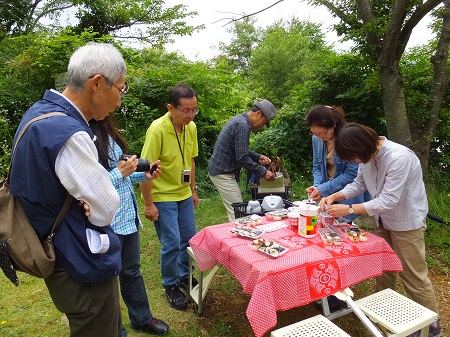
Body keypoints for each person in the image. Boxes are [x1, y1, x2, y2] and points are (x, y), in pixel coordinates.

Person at [9, 42, 127, 337]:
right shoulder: (69, 134)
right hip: (80, 263)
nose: (120, 101)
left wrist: (84, 197)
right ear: (97, 83)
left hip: (59, 252)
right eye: (121, 90)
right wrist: (88, 201)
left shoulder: (39, 114)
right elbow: (105, 208)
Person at [320, 123, 441, 337]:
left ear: (363, 146)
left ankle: (430, 326)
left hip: (406, 221)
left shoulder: (398, 157)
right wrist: (334, 196)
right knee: (384, 268)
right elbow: (359, 184)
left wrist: (348, 208)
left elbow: (388, 200)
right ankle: (383, 308)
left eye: (355, 157)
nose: (356, 161)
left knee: (413, 276)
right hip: (383, 219)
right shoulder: (366, 155)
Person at [90, 116, 169, 335]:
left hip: (126, 218)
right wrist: (119, 172)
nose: (116, 105)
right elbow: (90, 185)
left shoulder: (108, 134)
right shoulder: (84, 136)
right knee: (107, 280)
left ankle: (142, 318)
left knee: (131, 271)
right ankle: (115, 329)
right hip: (106, 222)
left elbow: (121, 178)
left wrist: (142, 175)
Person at [140, 82, 199, 311]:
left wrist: (193, 189)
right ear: (170, 108)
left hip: (183, 193)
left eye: (194, 109)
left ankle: (184, 275)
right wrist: (148, 204)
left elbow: (191, 160)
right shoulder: (157, 130)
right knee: (171, 242)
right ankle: (171, 284)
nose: (191, 115)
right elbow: (145, 169)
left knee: (189, 239)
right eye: (186, 110)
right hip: (162, 196)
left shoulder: (190, 127)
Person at [208, 99, 278, 221]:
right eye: (264, 122)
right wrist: (264, 172)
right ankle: (237, 238)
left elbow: (239, 151)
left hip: (221, 171)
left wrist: (257, 157)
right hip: (222, 173)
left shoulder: (240, 120)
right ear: (258, 113)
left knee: (236, 209)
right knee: (238, 211)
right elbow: (242, 158)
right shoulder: (243, 125)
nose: (262, 126)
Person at [305, 105, 370, 223]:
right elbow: (317, 166)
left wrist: (323, 188)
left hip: (347, 192)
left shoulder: (347, 139)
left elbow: (352, 174)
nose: (319, 137)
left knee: (343, 225)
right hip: (326, 190)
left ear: (334, 125)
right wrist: (317, 187)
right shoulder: (317, 139)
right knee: (323, 225)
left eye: (322, 132)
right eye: (314, 133)